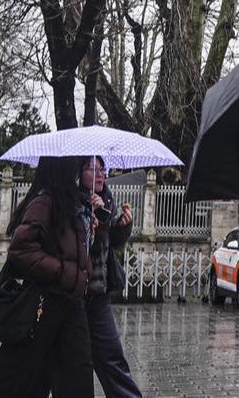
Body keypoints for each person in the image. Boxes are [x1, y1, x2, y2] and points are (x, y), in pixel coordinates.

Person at [0, 156, 95, 398]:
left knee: (77, 380)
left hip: (71, 307)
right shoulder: (44, 201)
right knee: (20, 379)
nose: (77, 172)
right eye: (73, 166)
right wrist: (66, 273)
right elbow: (21, 249)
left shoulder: (73, 204)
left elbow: (74, 252)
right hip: (44, 307)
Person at [78, 157, 142, 398]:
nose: (100, 174)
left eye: (102, 169)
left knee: (112, 358)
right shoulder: (71, 201)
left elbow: (112, 244)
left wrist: (122, 226)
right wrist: (88, 220)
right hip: (74, 297)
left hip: (99, 296)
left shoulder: (106, 200)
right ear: (79, 173)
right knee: (77, 364)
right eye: (92, 169)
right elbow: (79, 250)